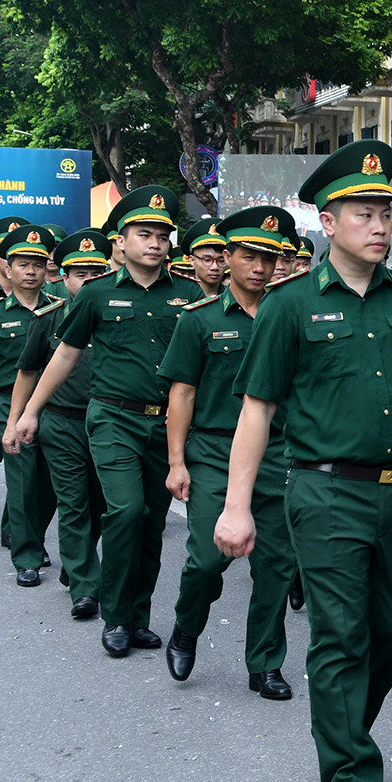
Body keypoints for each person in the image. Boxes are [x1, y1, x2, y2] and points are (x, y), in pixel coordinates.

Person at [216, 140, 392, 782]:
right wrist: (236, 507)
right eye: (363, 212)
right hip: (325, 494)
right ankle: (351, 780)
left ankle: (345, 724)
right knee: (340, 633)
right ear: (329, 222)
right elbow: (257, 412)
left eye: (386, 211)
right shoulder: (290, 307)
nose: (380, 224)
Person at [15, 192, 202, 654]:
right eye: (144, 234)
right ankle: (115, 616)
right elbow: (64, 355)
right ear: (120, 242)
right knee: (125, 511)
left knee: (153, 522)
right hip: (113, 418)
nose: (155, 244)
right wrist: (31, 412)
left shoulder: (189, 293)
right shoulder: (97, 292)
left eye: (162, 236)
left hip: (168, 425)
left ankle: (139, 616)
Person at [160, 207, 301, 699]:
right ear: (227, 258)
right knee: (205, 559)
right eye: (247, 256)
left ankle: (264, 663)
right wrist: (177, 461)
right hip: (215, 452)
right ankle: (186, 626)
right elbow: (182, 394)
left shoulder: (293, 315)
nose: (259, 267)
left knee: (276, 567)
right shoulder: (198, 322)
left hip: (281, 454)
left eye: (269, 257)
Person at [10, 230, 110, 619]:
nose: (87, 280)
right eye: (79, 273)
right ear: (63, 278)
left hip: (109, 426)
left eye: (95, 272)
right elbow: (27, 373)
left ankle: (75, 563)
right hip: (63, 424)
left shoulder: (117, 316)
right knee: (73, 504)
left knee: (103, 504)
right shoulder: (48, 320)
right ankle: (86, 587)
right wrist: (19, 419)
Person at [0, 225, 57, 583]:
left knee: (50, 484)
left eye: (37, 263)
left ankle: (26, 533)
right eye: (23, 264)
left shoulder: (60, 309)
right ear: (8, 268)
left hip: (54, 406)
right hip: (9, 405)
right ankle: (27, 556)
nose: (31, 271)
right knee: (21, 482)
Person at [184, 219, 228, 298]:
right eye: (207, 260)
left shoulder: (234, 298)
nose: (215, 267)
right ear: (192, 260)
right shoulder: (179, 296)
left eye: (221, 261)